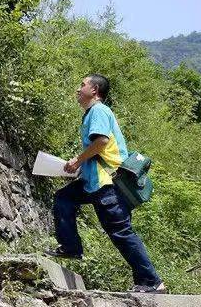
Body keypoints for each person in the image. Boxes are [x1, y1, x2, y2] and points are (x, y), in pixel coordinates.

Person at [49, 74, 166, 293]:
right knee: (64, 198)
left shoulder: (99, 111)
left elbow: (101, 141)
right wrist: (80, 168)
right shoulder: (92, 114)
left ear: (94, 90)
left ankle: (152, 281)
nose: (78, 89)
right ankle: (71, 247)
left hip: (107, 184)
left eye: (82, 85)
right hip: (93, 182)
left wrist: (78, 160)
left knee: (121, 232)